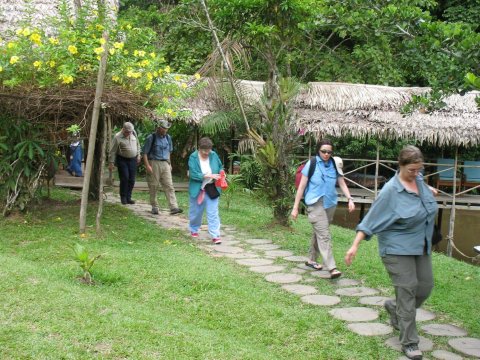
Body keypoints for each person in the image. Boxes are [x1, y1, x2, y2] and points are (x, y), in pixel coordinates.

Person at [345, 145, 438, 360]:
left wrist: (428, 189)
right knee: (408, 290)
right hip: (396, 248)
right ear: (401, 166)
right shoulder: (390, 191)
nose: (416, 174)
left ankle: (394, 308)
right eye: (412, 170)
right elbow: (370, 220)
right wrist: (355, 245)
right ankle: (410, 342)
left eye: (419, 169)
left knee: (425, 287)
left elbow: (421, 184)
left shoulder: (419, 179)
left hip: (420, 245)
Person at [291, 139, 355, 279]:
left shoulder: (334, 164)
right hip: (315, 203)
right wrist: (295, 207)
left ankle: (311, 260)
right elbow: (302, 187)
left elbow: (342, 182)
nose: (326, 154)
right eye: (323, 151)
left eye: (329, 152)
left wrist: (350, 199)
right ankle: (332, 268)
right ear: (318, 151)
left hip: (330, 203)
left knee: (319, 232)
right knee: (324, 235)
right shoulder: (312, 164)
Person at [143, 120, 183, 215]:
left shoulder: (168, 138)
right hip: (154, 162)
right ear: (158, 128)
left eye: (166, 128)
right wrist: (147, 165)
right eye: (164, 128)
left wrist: (170, 163)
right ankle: (154, 206)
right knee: (153, 185)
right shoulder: (151, 137)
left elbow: (169, 151)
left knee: (169, 185)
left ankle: (173, 207)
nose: (165, 130)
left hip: (165, 163)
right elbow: (144, 153)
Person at [188, 137, 223, 244]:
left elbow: (220, 166)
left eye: (208, 151)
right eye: (204, 152)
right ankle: (194, 228)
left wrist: (222, 172)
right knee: (196, 213)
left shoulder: (214, 155)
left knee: (213, 212)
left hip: (212, 188)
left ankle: (215, 235)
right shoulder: (193, 157)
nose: (207, 153)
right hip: (198, 189)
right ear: (199, 149)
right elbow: (193, 174)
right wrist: (207, 175)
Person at [109, 122, 141, 205]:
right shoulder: (117, 137)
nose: (129, 133)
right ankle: (123, 197)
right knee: (125, 178)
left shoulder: (134, 133)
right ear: (123, 129)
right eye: (127, 132)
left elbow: (138, 144)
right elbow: (112, 151)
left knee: (132, 180)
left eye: (130, 132)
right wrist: (111, 162)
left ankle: (128, 197)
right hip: (122, 159)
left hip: (133, 159)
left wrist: (138, 155)